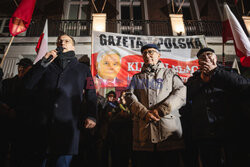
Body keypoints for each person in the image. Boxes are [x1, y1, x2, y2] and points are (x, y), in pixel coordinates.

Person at [22, 34, 97, 167]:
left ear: (73, 46)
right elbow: (27, 84)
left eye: (66, 41)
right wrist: (42, 63)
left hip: (68, 128)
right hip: (43, 127)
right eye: (59, 41)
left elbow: (91, 93)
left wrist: (91, 115)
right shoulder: (46, 65)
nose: (62, 43)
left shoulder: (83, 69)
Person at [185, 47, 250, 167]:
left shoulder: (230, 72)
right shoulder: (193, 80)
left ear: (216, 58)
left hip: (231, 129)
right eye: (202, 57)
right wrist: (201, 80)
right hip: (205, 132)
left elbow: (244, 85)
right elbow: (186, 96)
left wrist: (215, 72)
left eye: (209, 54)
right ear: (199, 62)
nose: (206, 58)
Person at [125, 44, 186, 167]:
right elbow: (129, 97)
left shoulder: (170, 74)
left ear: (159, 55)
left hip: (168, 133)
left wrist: (161, 110)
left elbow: (181, 93)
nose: (147, 55)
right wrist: (144, 113)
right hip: (144, 134)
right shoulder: (137, 78)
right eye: (144, 53)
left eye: (151, 52)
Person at [0, 58, 33, 167]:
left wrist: (17, 110)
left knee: (18, 152)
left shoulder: (32, 86)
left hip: (22, 123)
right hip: (5, 120)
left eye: (25, 66)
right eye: (20, 66)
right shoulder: (7, 82)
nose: (21, 68)